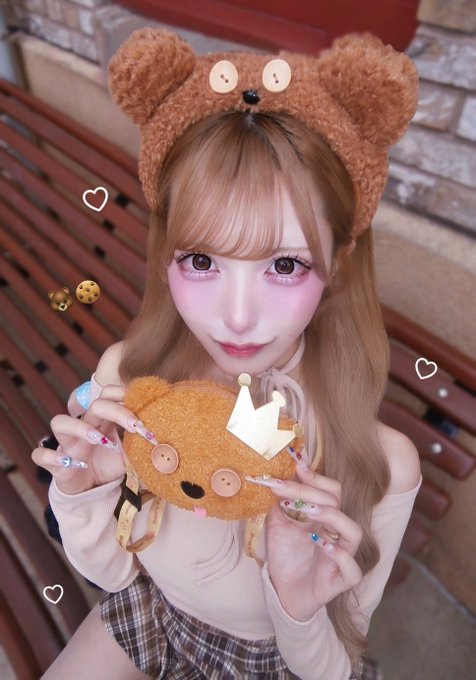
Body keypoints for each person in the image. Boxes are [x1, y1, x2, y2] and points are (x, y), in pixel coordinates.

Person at [32, 29, 422, 680]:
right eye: (201, 260)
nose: (237, 317)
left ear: (339, 265)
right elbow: (117, 573)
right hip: (151, 610)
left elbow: (332, 665)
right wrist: (83, 494)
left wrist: (299, 605)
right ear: (165, 255)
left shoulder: (379, 461)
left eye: (285, 265)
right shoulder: (129, 380)